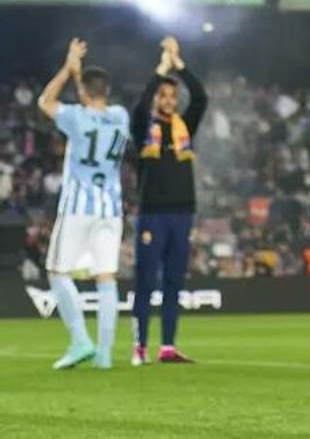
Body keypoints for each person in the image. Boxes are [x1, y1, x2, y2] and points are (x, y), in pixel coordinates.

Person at [37, 38, 130, 370]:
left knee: (57, 271)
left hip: (78, 207)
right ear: (107, 91)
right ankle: (104, 354)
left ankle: (80, 340)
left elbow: (45, 101)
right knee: (106, 277)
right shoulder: (120, 116)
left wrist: (68, 68)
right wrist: (81, 78)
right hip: (111, 210)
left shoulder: (75, 117)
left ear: (82, 93)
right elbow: (93, 103)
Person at [131, 36, 208, 366]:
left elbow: (201, 98)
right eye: (163, 95)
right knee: (146, 281)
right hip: (153, 213)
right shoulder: (143, 127)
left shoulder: (183, 127)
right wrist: (161, 70)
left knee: (174, 281)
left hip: (182, 212)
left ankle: (167, 347)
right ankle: (140, 347)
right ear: (156, 98)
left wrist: (180, 67)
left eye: (173, 96)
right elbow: (139, 106)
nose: (169, 100)